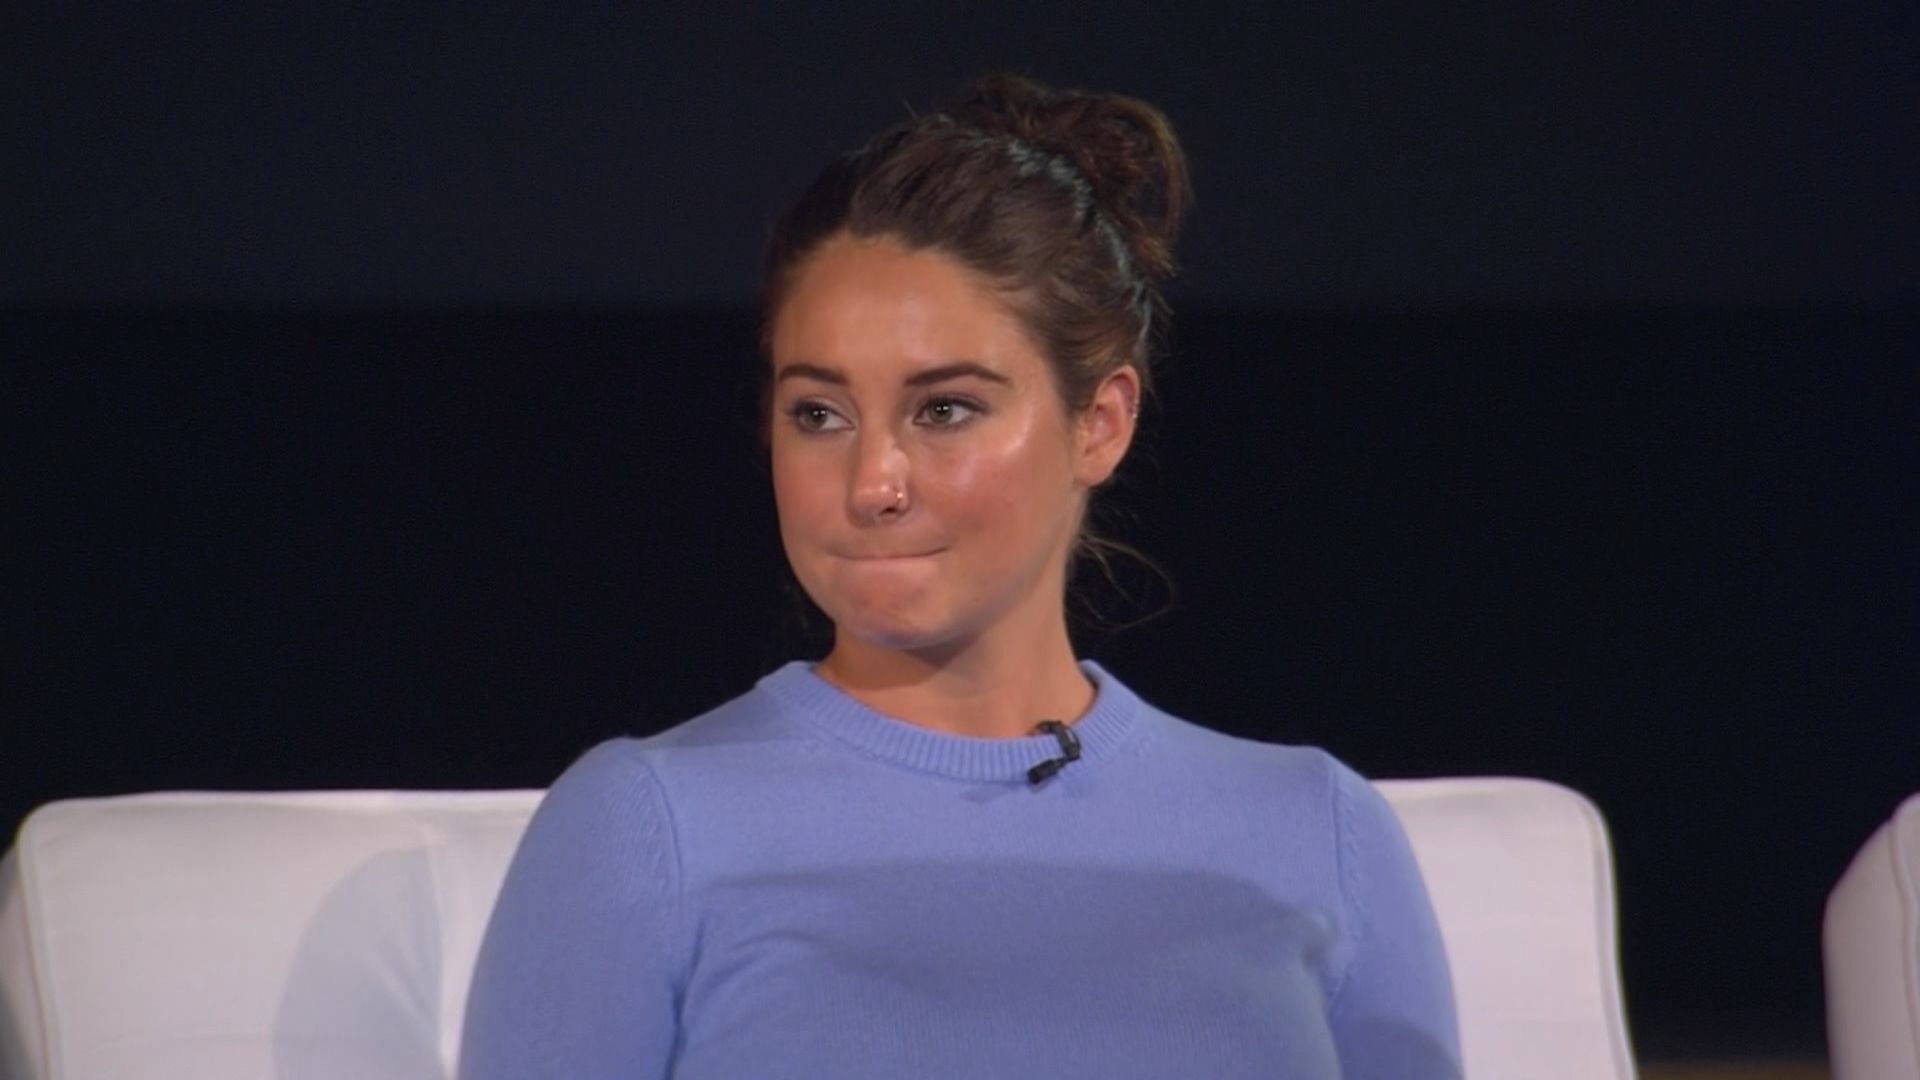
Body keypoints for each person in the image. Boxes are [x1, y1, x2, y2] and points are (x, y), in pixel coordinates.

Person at [460, 74, 1460, 1080]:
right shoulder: (642, 830)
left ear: (1100, 423)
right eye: (819, 414)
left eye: (944, 410)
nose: (872, 484)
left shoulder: (1320, 836)